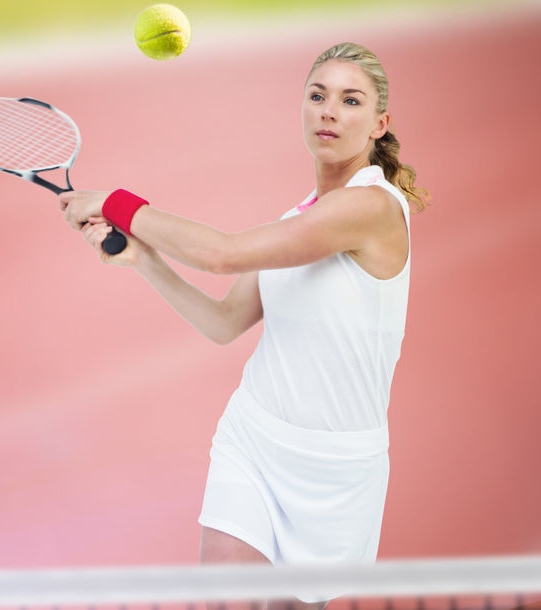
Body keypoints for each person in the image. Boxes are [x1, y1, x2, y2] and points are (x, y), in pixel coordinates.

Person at [60, 42, 428, 609]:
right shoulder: (295, 220)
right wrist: (146, 261)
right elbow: (225, 321)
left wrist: (115, 202)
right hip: (253, 440)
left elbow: (221, 254)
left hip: (334, 470)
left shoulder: (372, 208)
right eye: (317, 96)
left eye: (350, 100)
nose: (329, 111)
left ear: (379, 124)